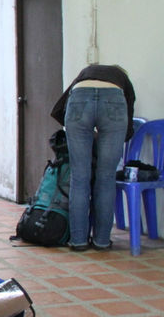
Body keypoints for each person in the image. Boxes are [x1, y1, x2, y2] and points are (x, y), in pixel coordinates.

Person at [51, 64, 136, 252]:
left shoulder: (85, 74)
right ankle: (102, 242)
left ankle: (79, 241)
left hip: (79, 100)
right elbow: (128, 126)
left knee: (79, 177)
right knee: (106, 178)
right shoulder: (122, 82)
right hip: (113, 103)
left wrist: (83, 135)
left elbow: (60, 108)